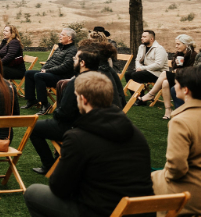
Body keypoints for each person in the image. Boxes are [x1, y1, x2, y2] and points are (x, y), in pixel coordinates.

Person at [24, 71, 154, 217]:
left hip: (101, 210)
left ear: (83, 99)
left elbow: (59, 188)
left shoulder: (78, 138)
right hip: (139, 210)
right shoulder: (135, 133)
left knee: (33, 192)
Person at [30, 45, 102, 175]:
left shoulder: (77, 82)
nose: (73, 61)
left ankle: (48, 165)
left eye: (75, 59)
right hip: (95, 127)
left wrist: (56, 112)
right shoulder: (102, 80)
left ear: (83, 63)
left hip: (73, 127)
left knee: (34, 128)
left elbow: (65, 113)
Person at [151, 66, 201, 216]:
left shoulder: (181, 121)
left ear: (185, 90)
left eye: (176, 84)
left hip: (190, 190)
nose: (174, 87)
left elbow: (177, 168)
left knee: (137, 184)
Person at [136, 34, 196, 118]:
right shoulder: (179, 54)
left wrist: (178, 70)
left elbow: (193, 71)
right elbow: (174, 68)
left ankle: (151, 94)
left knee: (164, 73)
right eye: (176, 44)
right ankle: (168, 110)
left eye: (178, 44)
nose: (176, 46)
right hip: (178, 77)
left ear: (186, 45)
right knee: (165, 82)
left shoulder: (193, 55)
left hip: (187, 79)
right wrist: (177, 66)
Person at [23, 28, 78, 115]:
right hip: (51, 73)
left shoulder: (73, 50)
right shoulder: (60, 48)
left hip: (62, 77)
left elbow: (65, 67)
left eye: (62, 35)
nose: (60, 36)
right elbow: (50, 60)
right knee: (29, 73)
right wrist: (43, 69)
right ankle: (32, 100)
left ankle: (45, 105)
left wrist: (47, 71)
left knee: (38, 76)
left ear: (69, 38)